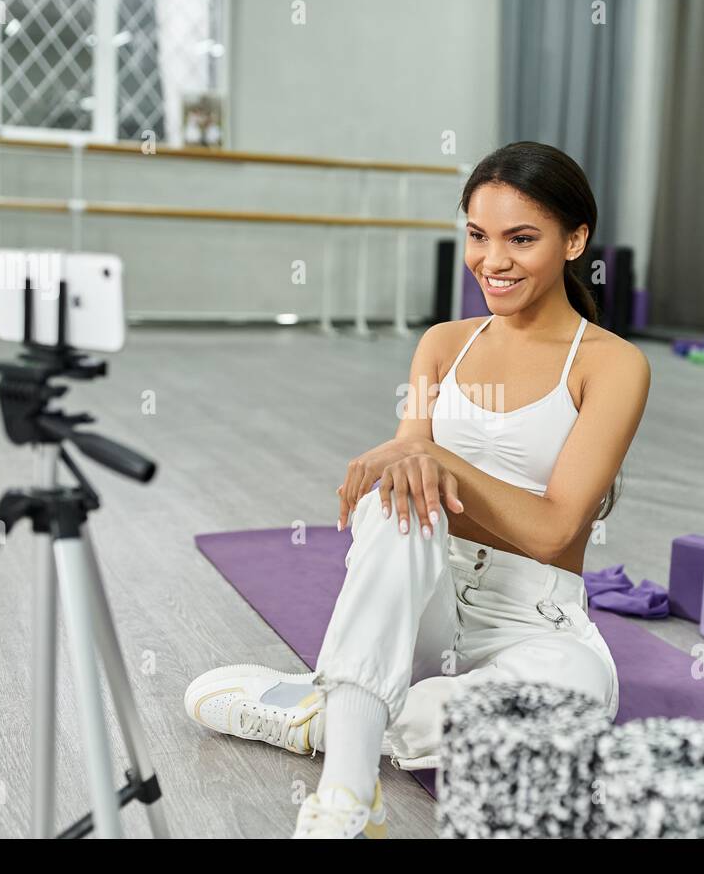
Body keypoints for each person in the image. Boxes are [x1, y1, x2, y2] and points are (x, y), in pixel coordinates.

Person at [184, 141, 651, 838]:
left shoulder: (613, 365)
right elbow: (408, 470)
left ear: (575, 240)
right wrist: (416, 462)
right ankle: (346, 797)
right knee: (400, 501)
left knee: (575, 703)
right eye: (477, 236)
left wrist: (435, 456)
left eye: (521, 239)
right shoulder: (442, 344)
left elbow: (554, 531)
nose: (493, 261)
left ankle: (332, 715)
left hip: (536, 620)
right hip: (426, 601)